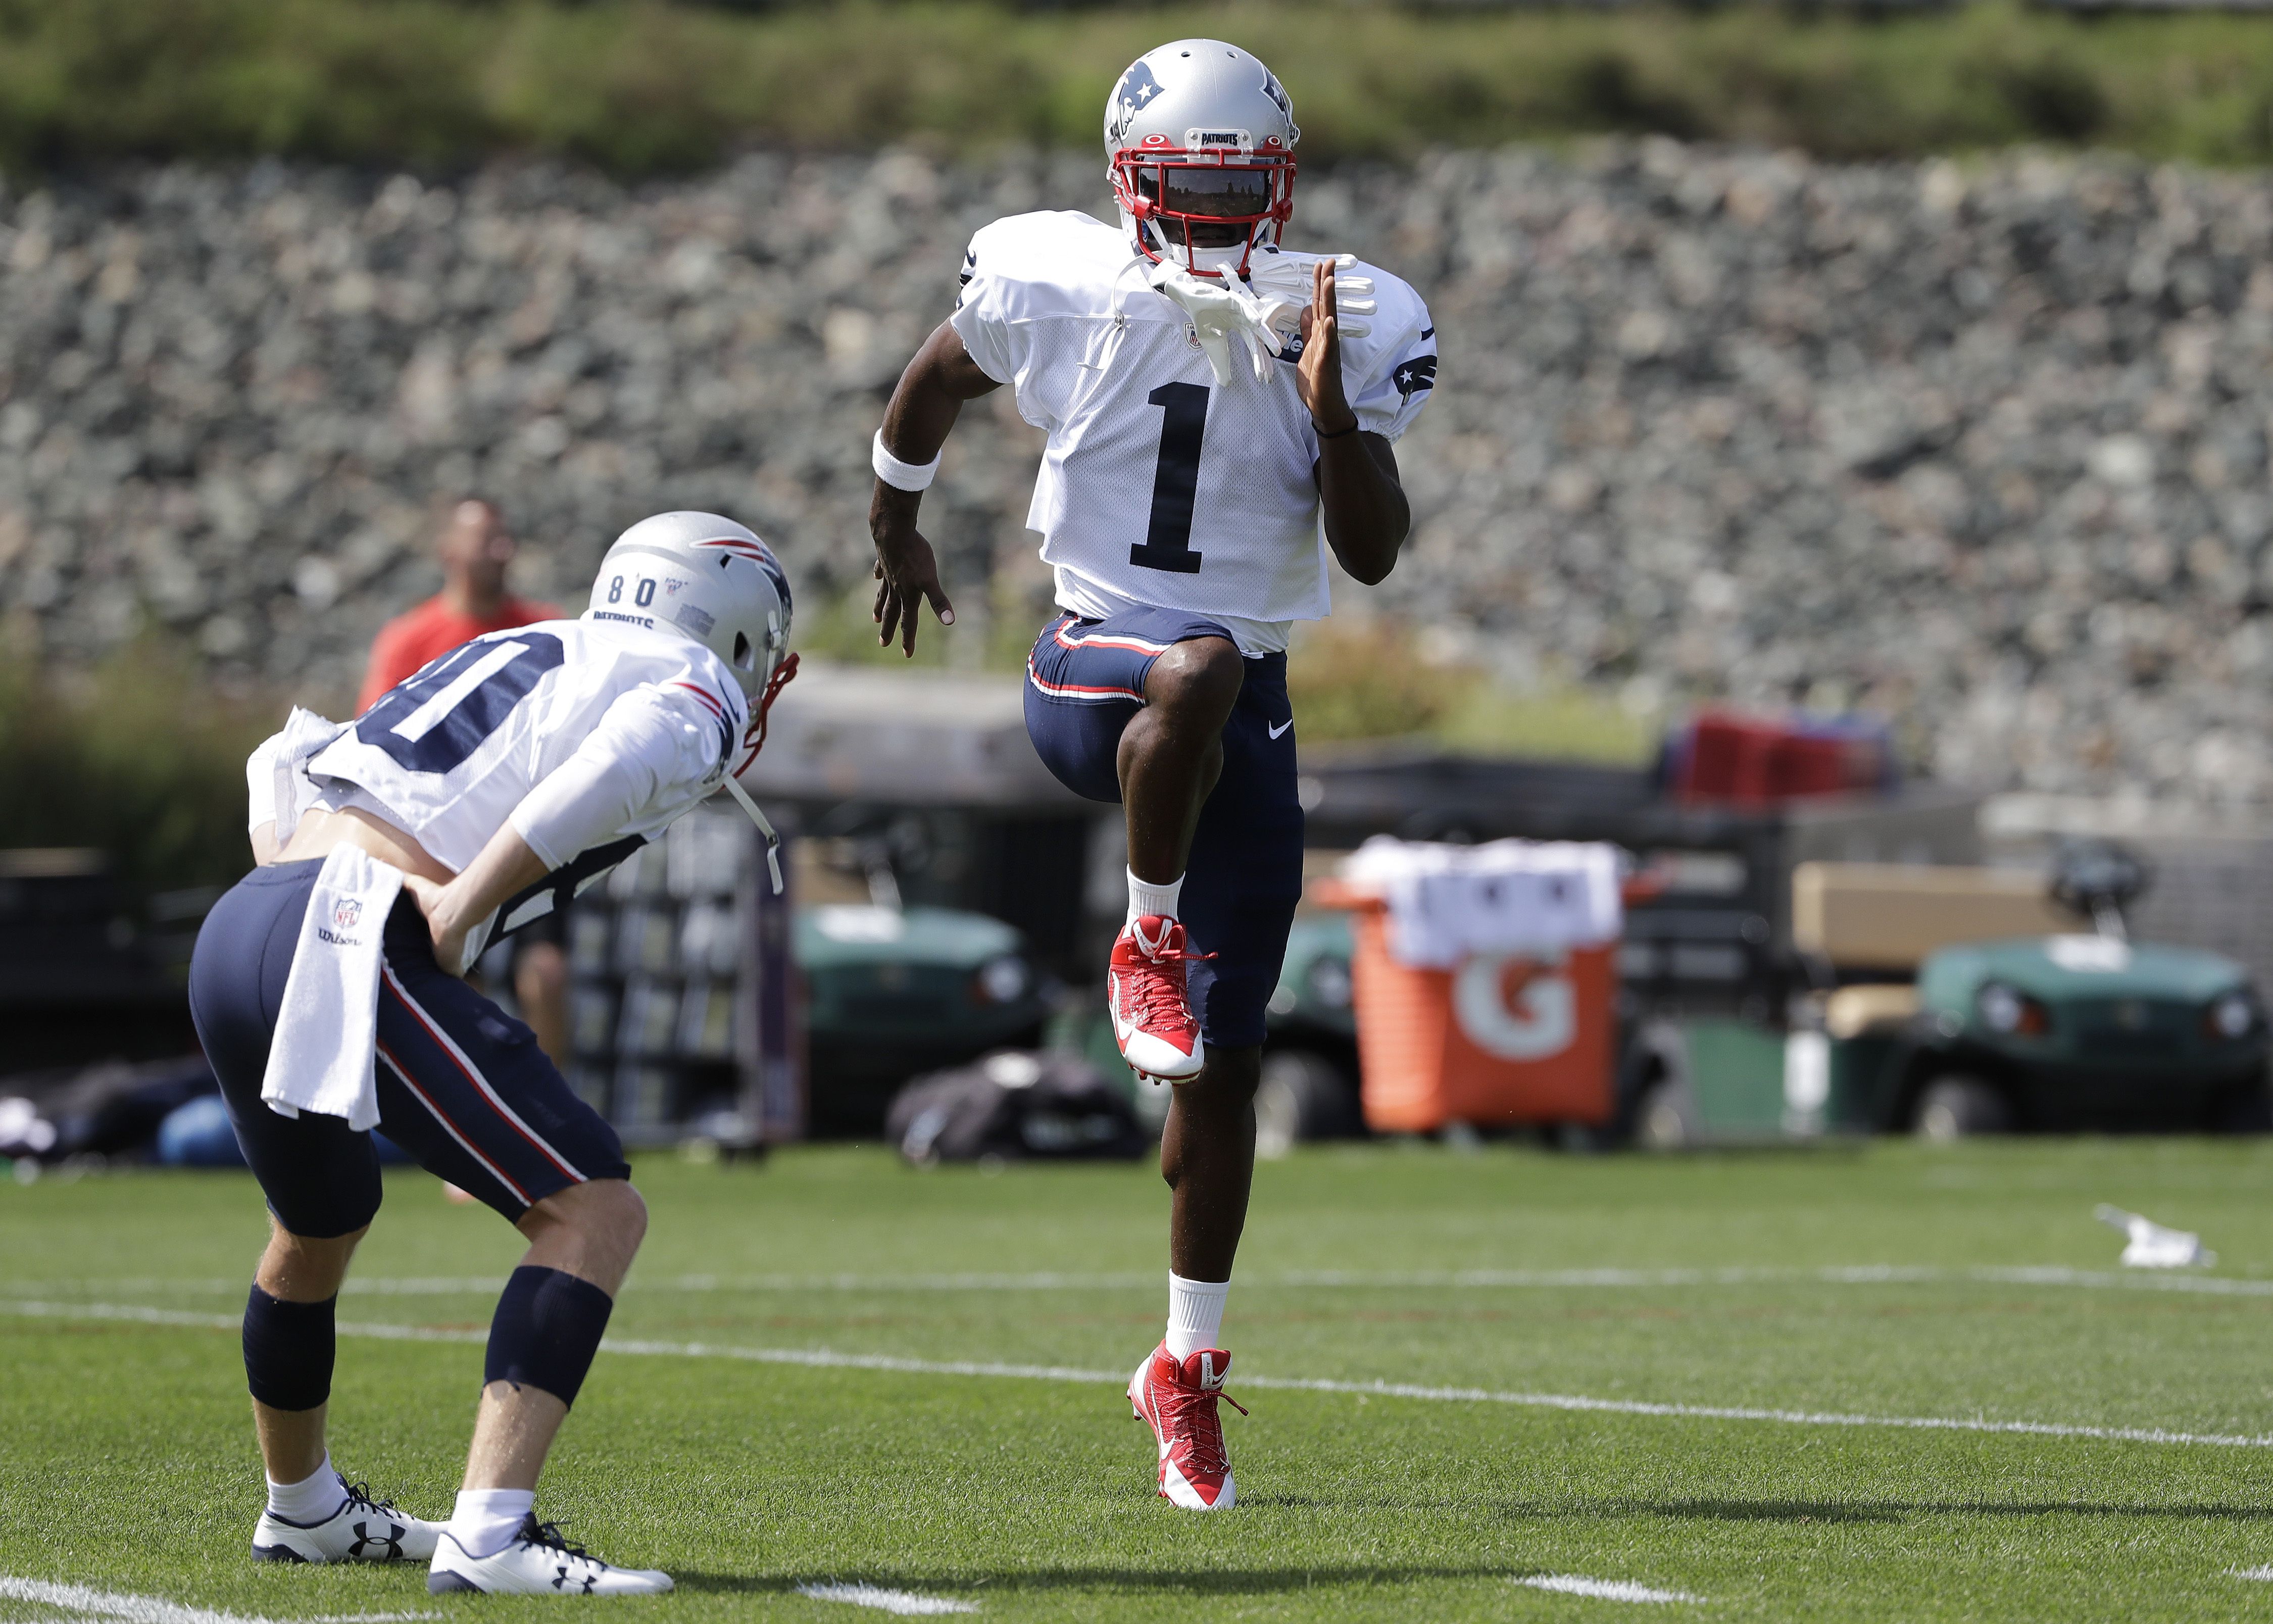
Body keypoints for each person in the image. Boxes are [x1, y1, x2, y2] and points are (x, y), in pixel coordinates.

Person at [866, 40, 1436, 1511]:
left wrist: (1329, 413)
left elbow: (1371, 552)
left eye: (1238, 190)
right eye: (1188, 190)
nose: (1213, 218)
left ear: (1281, 184)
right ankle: (1146, 933)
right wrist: (896, 530)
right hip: (1093, 669)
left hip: (1250, 716)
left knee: (1224, 1072)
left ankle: (1183, 1369)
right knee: (1190, 666)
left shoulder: (1343, 317)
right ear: (1128, 186)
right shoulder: (1054, 281)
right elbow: (932, 378)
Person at [189, 512, 796, 1594]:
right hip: (354, 924)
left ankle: (305, 1508)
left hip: (251, 912)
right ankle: (491, 1534)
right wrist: (468, 905)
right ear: (737, 622)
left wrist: (299, 881)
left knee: (318, 1220)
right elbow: (624, 759)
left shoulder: (530, 644)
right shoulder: (689, 679)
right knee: (593, 1209)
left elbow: (280, 756)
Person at [358, 499, 572, 1065]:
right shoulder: (410, 639)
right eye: (487, 541)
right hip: (442, 844)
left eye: (506, 539)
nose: (501, 552)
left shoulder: (544, 628)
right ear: (450, 551)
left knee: (545, 972)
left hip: (527, 837)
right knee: (453, 978)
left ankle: (552, 1109)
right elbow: (371, 745)